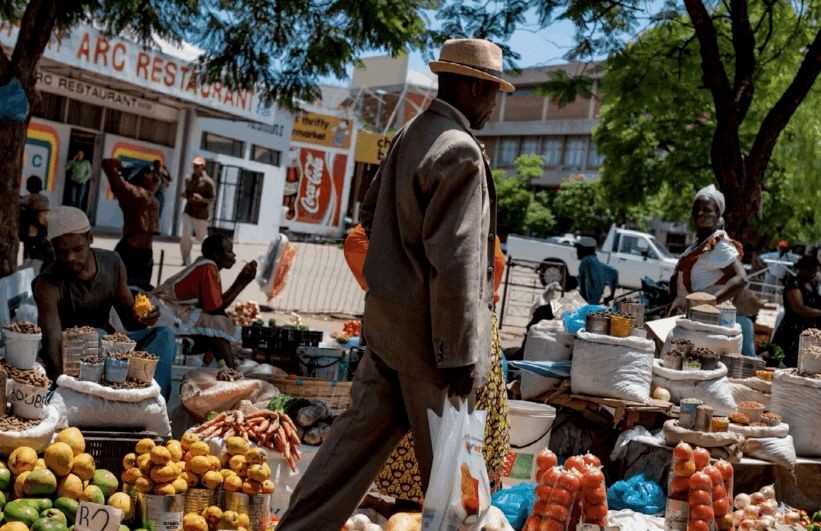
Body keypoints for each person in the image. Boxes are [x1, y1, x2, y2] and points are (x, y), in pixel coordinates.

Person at [278, 38, 511, 529]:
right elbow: (459, 267)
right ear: (471, 88)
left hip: (388, 332)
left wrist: (390, 285)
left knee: (346, 455)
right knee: (453, 487)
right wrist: (461, 357)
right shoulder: (461, 151)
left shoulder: (412, 133)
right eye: (491, 92)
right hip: (433, 346)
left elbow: (368, 214)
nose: (494, 104)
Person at [343, 224, 510, 504]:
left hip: (438, 339)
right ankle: (451, 508)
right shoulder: (464, 208)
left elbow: (361, 251)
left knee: (434, 433)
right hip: (467, 335)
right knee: (455, 439)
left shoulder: (437, 211)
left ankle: (438, 508)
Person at [32, 206, 176, 399]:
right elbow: (52, 341)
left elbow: (129, 320)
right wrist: (63, 387)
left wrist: (145, 318)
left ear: (89, 238)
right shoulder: (48, 283)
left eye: (77, 249)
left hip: (107, 348)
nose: (70, 257)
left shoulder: (112, 263)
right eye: (62, 251)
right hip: (71, 356)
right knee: (96, 335)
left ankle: (153, 400)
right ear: (54, 249)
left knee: (164, 336)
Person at [668, 185, 761, 355]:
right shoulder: (697, 246)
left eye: (707, 210)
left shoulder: (719, 245)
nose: (700, 214)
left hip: (703, 326)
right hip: (686, 321)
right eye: (696, 210)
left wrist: (708, 303)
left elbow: (741, 279)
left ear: (718, 216)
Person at [150, 234, 257, 369]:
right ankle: (231, 372)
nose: (234, 255)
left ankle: (225, 368)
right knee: (218, 324)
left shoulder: (208, 265)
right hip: (166, 310)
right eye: (229, 251)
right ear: (217, 255)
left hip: (171, 309)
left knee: (218, 324)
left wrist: (241, 282)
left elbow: (216, 305)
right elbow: (214, 308)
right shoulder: (208, 267)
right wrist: (241, 282)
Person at [102, 159, 161, 291]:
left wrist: (155, 169)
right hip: (129, 252)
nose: (154, 176)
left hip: (146, 255)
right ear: (141, 175)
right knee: (121, 292)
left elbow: (157, 180)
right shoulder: (128, 191)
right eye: (149, 173)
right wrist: (121, 167)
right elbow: (106, 163)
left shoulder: (150, 194)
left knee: (140, 293)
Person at [772, 255, 821, 367]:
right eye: (811, 271)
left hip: (807, 332)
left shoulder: (811, 284)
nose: (813, 274)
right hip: (791, 331)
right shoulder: (793, 282)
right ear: (803, 269)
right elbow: (798, 308)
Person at [180, 156, 216, 266]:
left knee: (200, 238)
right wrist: (185, 195)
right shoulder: (188, 179)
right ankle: (186, 260)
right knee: (185, 234)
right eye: (194, 165)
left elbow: (212, 198)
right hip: (189, 211)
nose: (195, 168)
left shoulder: (208, 182)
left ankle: (209, 255)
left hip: (201, 214)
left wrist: (201, 199)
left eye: (197, 166)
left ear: (202, 167)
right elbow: (186, 193)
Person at [19, 175, 52, 267]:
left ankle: (27, 262)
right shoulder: (45, 198)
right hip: (44, 227)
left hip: (33, 227)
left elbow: (19, 202)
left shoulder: (30, 197)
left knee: (28, 246)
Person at [575, 236, 618, 305]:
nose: (577, 252)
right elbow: (614, 272)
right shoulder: (596, 261)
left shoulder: (586, 260)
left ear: (584, 249)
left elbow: (586, 285)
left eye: (578, 249)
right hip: (594, 301)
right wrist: (611, 296)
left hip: (587, 303)